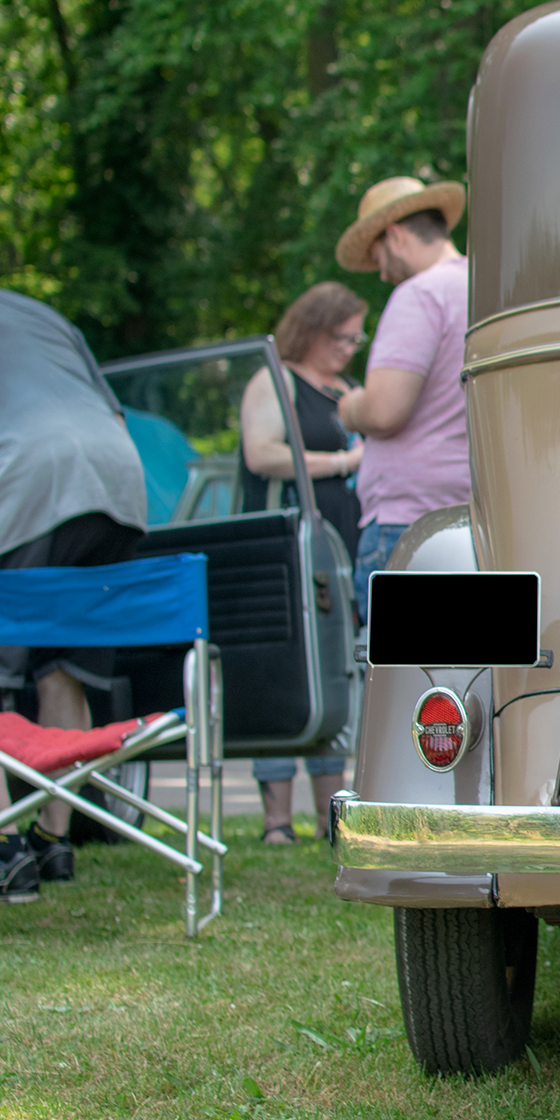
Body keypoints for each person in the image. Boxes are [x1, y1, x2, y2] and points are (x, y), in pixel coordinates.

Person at [0, 235, 149, 902]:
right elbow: (113, 412)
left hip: (18, 481)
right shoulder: (43, 316)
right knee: (65, 668)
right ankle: (53, 845)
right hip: (117, 486)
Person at [237, 281, 367, 843]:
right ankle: (276, 820)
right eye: (341, 337)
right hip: (286, 553)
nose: (349, 348)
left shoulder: (352, 388)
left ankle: (330, 816)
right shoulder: (276, 379)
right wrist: (340, 462)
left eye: (356, 339)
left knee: (338, 672)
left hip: (343, 553)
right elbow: (261, 453)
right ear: (313, 329)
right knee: (281, 672)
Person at [332, 177, 470, 621]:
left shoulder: (419, 293)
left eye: (377, 257)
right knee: (471, 672)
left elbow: (385, 411)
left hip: (410, 525)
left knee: (401, 679)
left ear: (394, 235)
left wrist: (351, 407)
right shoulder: (484, 288)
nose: (381, 271)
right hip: (475, 514)